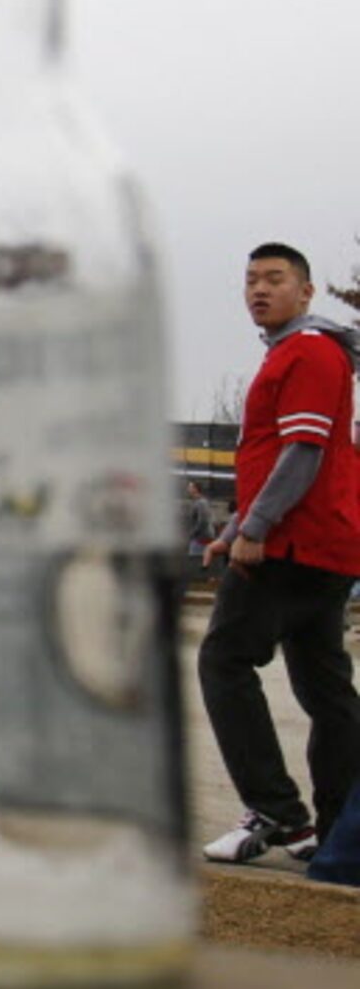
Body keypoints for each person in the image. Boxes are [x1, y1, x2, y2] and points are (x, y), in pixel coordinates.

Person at [197, 243, 360, 866]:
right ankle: (341, 831)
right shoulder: (302, 353)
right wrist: (235, 522)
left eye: (274, 279)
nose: (258, 290)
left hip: (291, 542)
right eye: (250, 281)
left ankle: (277, 813)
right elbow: (278, 458)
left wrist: (256, 528)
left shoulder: (310, 352)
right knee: (326, 689)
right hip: (321, 541)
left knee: (224, 661)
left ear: (307, 291)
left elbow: (303, 453)